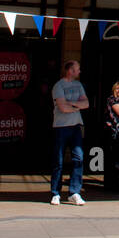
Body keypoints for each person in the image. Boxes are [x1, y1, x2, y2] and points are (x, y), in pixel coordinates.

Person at [50, 60, 89, 206]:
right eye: (77, 69)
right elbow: (62, 107)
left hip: (76, 126)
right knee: (58, 160)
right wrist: (76, 106)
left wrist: (71, 104)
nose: (79, 72)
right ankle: (56, 192)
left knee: (78, 158)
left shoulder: (78, 85)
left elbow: (86, 103)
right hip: (61, 127)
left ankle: (74, 192)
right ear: (70, 71)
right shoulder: (58, 86)